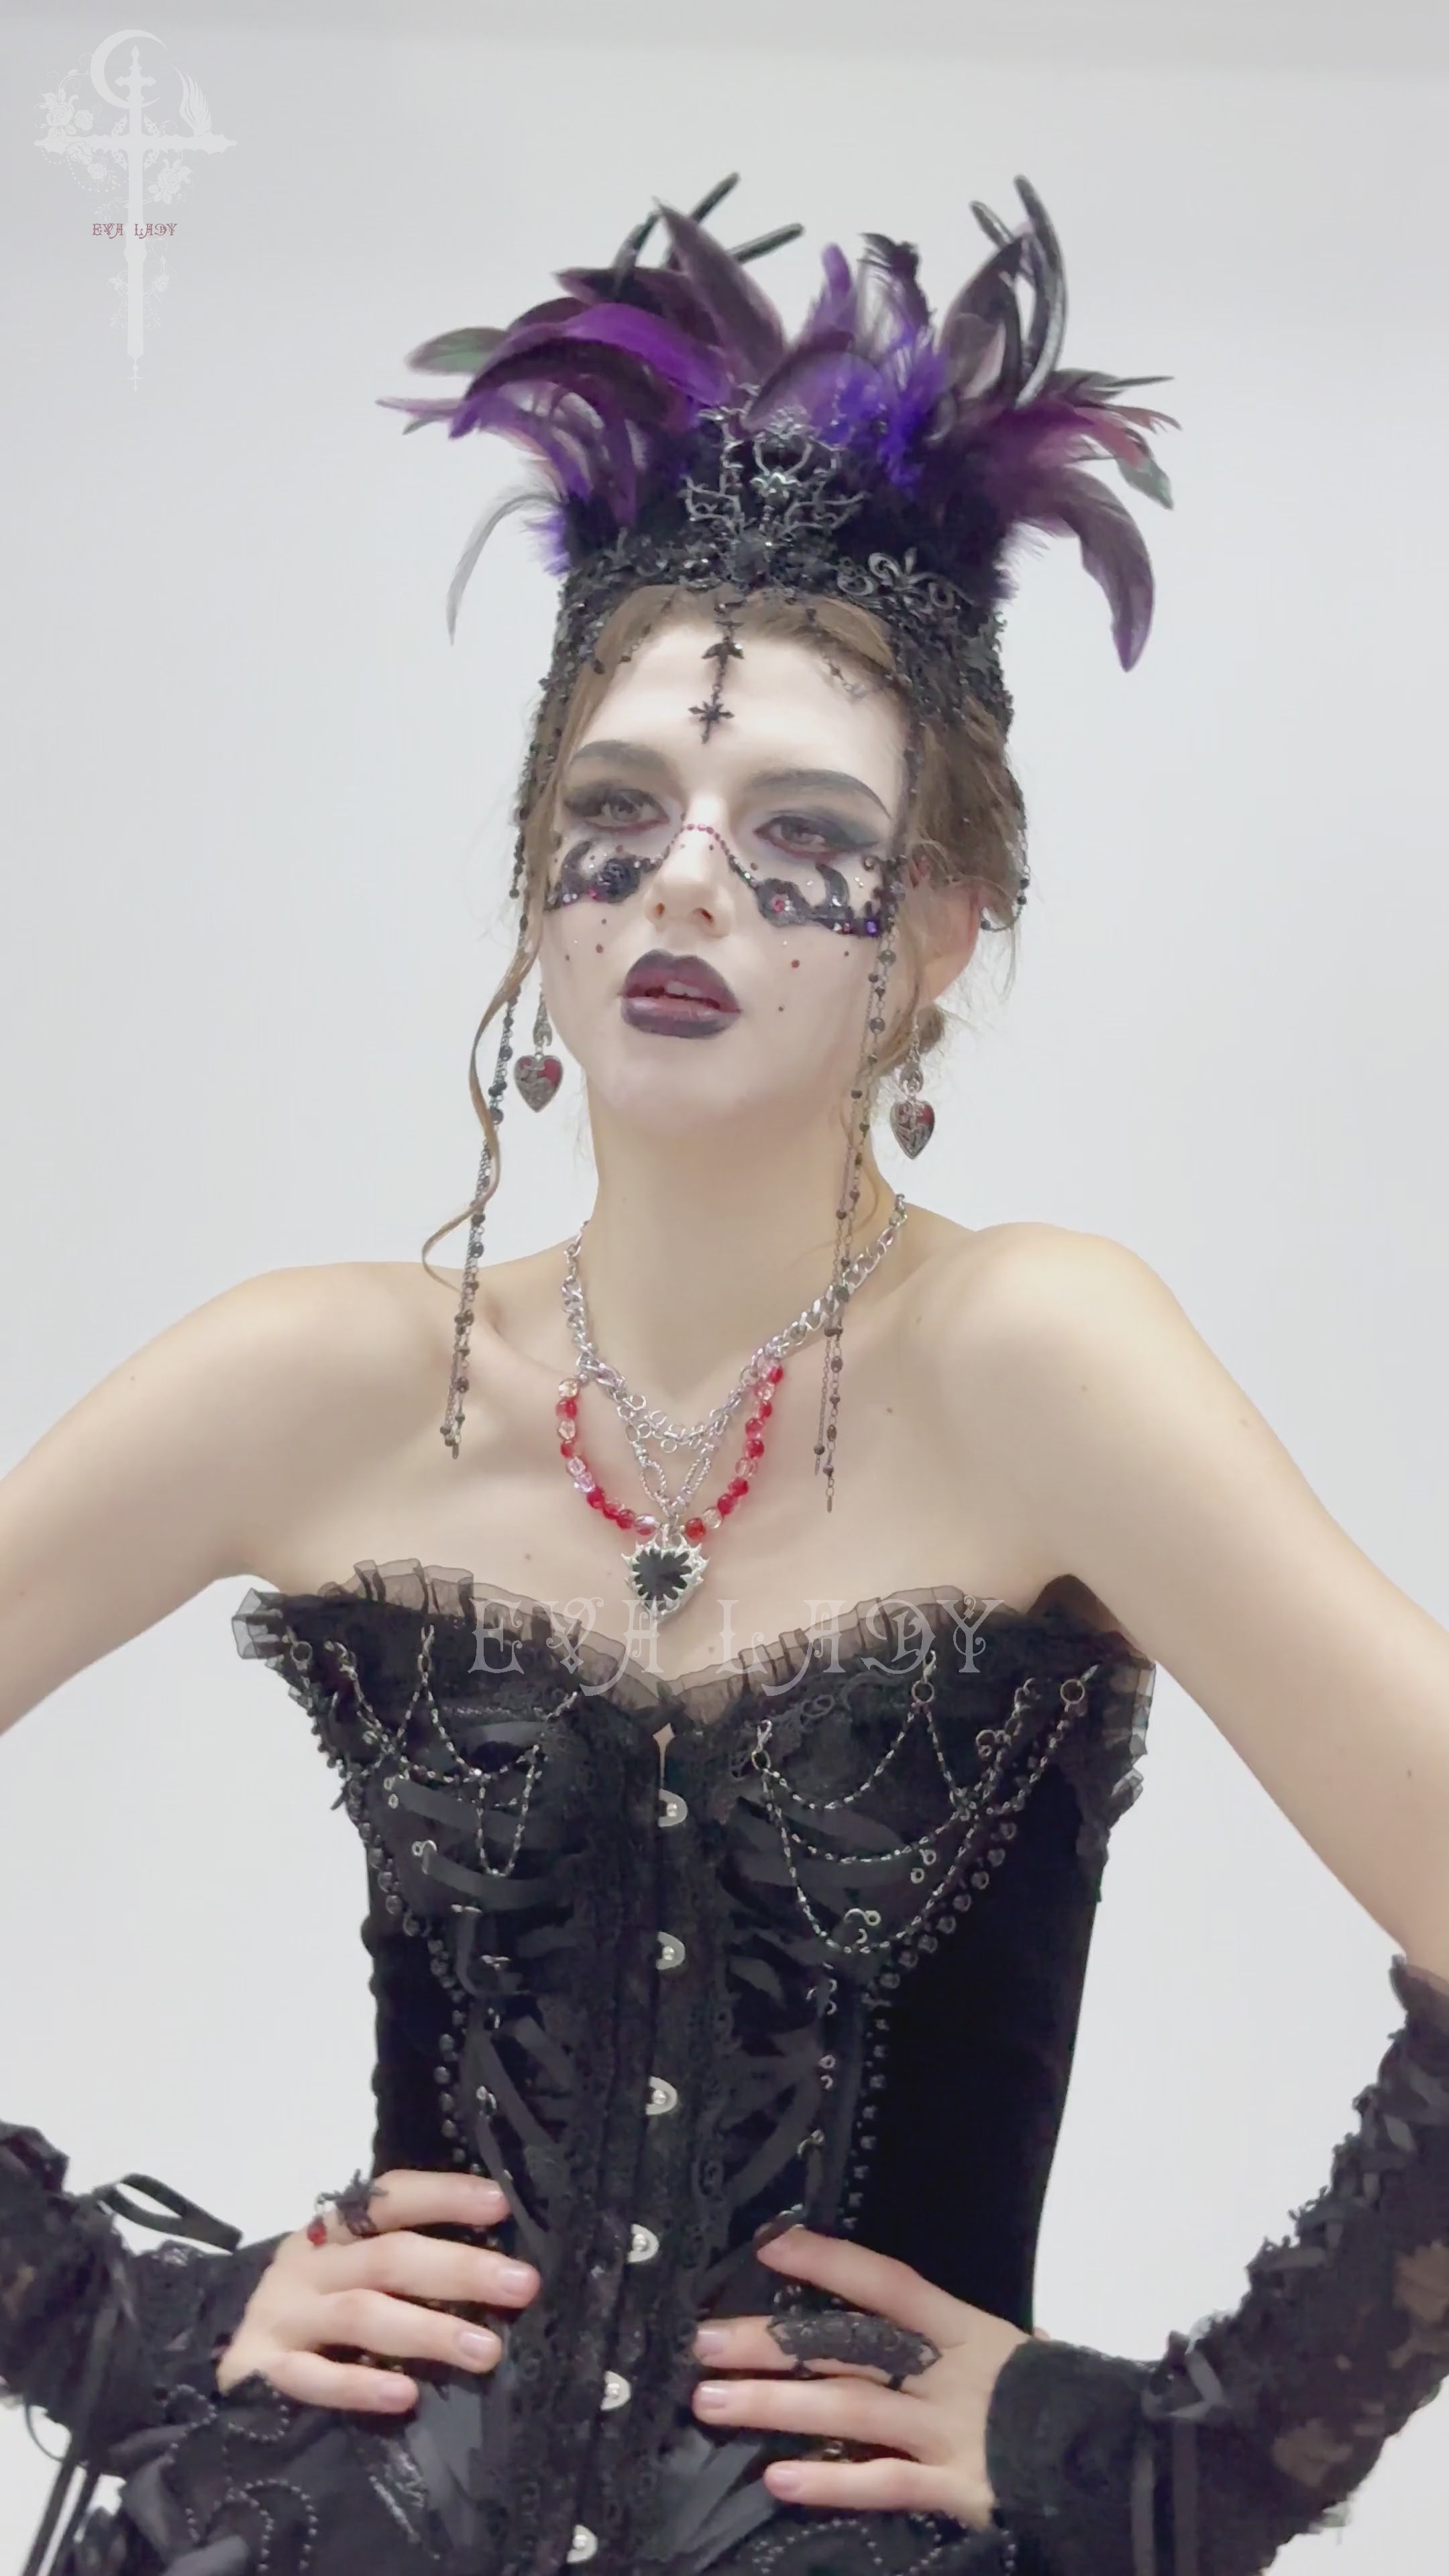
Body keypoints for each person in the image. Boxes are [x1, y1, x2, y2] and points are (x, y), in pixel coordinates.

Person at [2, 174, 1448, 2576]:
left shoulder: (1037, 1359)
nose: (685, 881)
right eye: (617, 818)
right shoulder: (328, 1377)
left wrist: (1181, 2464)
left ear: (940, 933)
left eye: (802, 836)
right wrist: (108, 2317)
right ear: (532, 888)